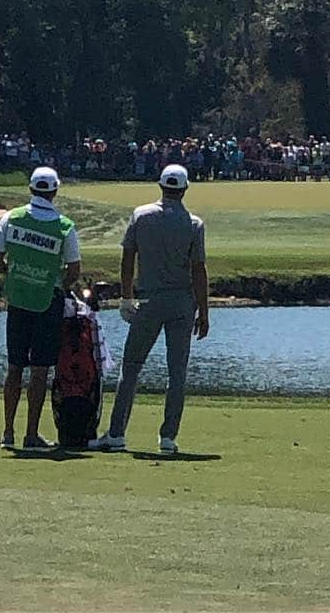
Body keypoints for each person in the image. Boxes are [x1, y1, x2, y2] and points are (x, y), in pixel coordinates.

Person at [90, 163, 209, 454]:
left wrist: (126, 296)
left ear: (161, 186)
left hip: (149, 301)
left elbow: (128, 258)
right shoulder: (194, 224)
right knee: (177, 372)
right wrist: (204, 312)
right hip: (182, 302)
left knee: (131, 367)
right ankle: (168, 438)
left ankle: (116, 434)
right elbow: (199, 270)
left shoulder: (141, 215)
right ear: (184, 190)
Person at [0, 166, 81, 451]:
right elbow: (74, 270)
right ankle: (31, 434)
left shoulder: (11, 218)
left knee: (15, 366)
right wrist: (54, 283)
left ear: (31, 189)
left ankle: (7, 433)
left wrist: (16, 275)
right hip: (47, 301)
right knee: (40, 370)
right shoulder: (64, 226)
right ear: (54, 191)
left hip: (17, 299)